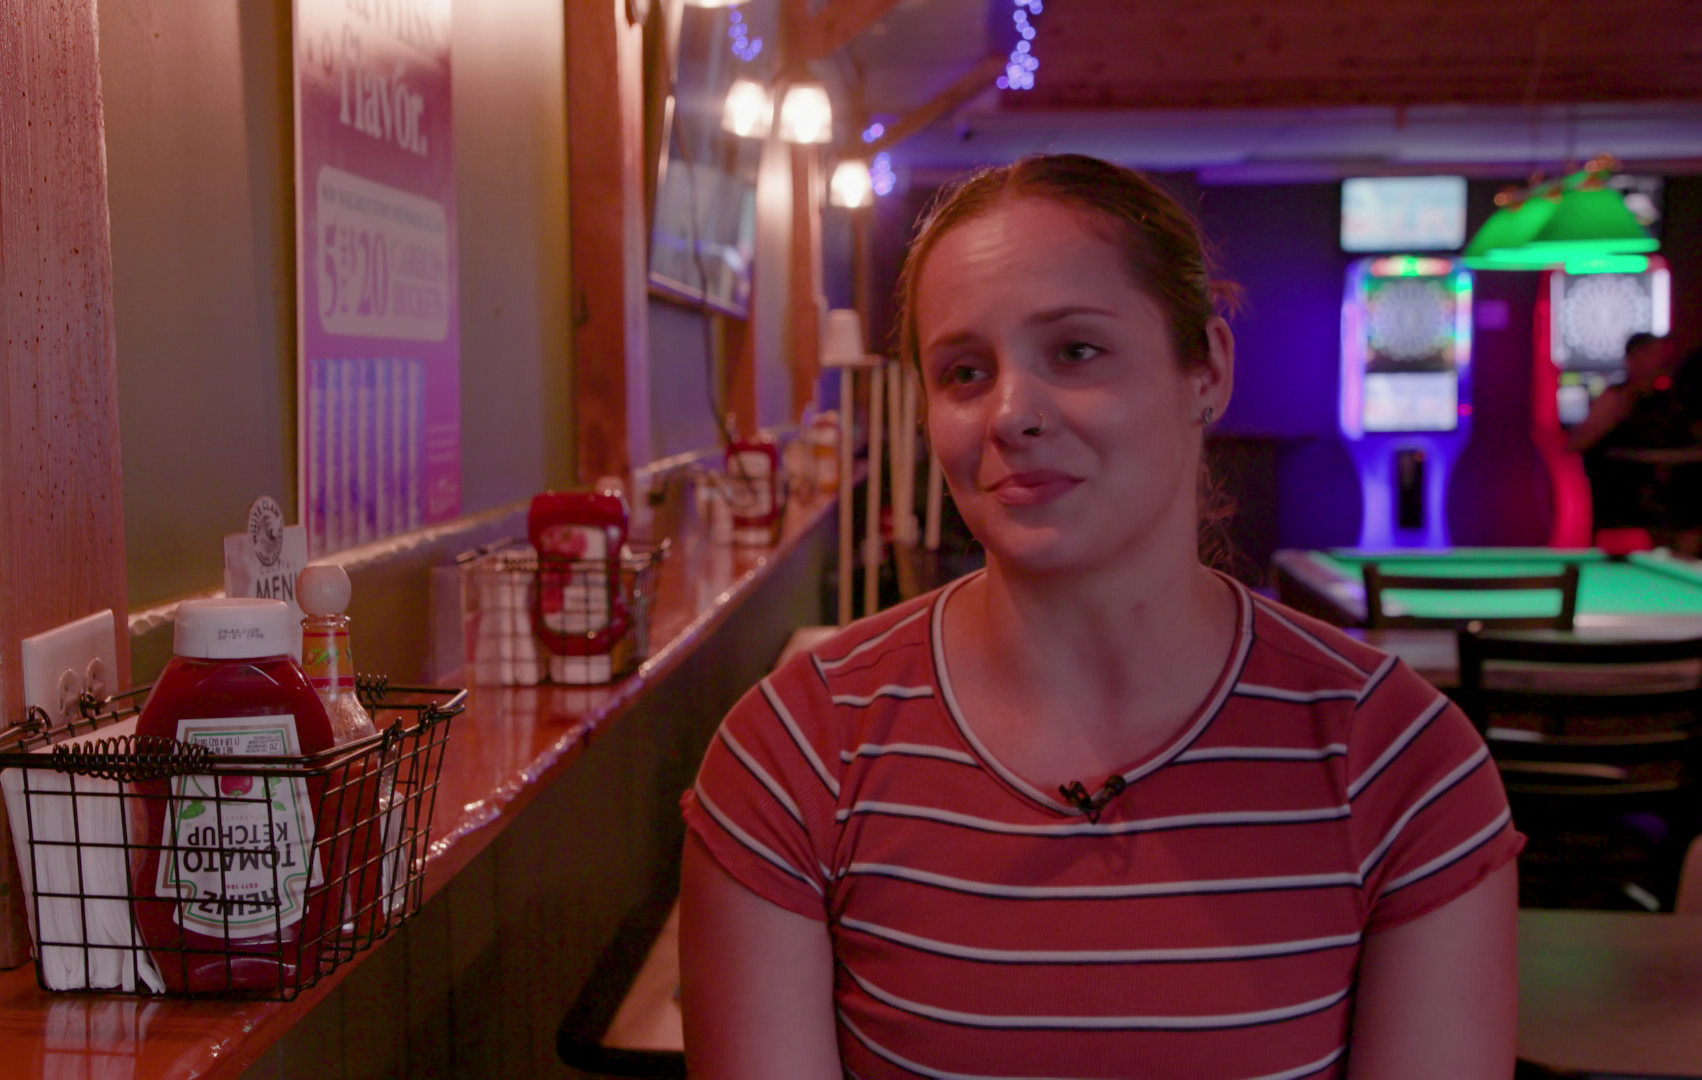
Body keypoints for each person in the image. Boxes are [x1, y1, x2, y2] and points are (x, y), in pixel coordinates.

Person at [678, 154, 1520, 1079]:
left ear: (1206, 369)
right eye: (964, 372)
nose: (1012, 413)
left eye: (1075, 351)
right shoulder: (793, 753)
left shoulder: (1403, 762)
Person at [1568, 332, 1702, 554]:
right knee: (1684, 511)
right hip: (1625, 500)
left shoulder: (1669, 401)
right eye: (1651, 354)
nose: (1659, 360)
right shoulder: (1615, 398)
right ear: (1631, 359)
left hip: (1667, 493)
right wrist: (1619, 409)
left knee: (1690, 501)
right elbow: (1576, 443)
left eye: (1660, 354)